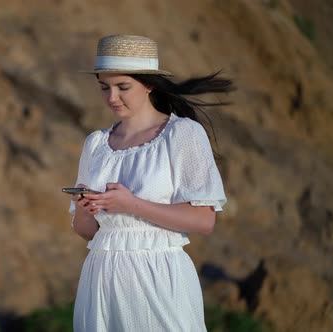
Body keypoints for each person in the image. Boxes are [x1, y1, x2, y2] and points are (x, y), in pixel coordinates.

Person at [69, 35, 233, 331]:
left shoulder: (182, 134)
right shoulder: (95, 144)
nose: (111, 97)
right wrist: (85, 207)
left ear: (149, 84)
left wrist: (131, 204)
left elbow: (204, 220)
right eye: (104, 87)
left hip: (158, 275)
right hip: (101, 275)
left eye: (123, 87)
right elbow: (86, 231)